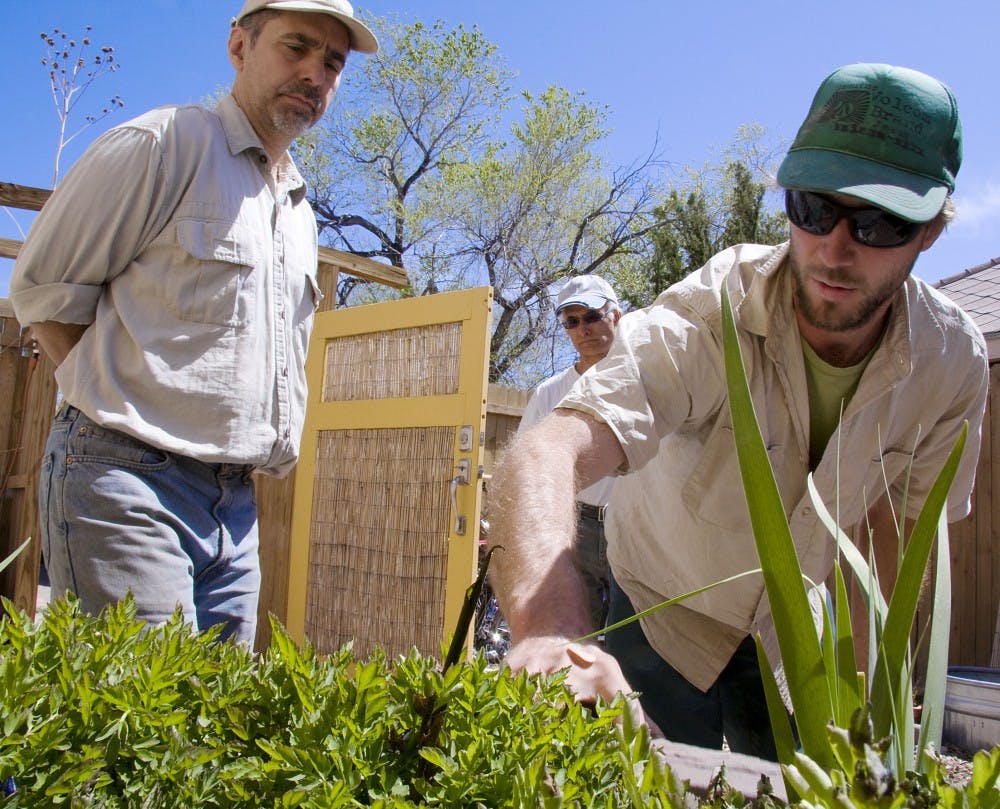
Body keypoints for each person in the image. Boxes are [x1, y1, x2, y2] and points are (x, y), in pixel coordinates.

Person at [487, 63, 989, 759]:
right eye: (813, 207)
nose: (834, 249)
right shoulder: (710, 312)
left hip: (793, 640)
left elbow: (893, 536)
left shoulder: (951, 365)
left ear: (932, 229)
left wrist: (868, 688)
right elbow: (549, 449)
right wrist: (551, 631)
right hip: (658, 605)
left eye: (878, 222)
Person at [10, 0, 378, 645]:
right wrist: (109, 399)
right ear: (239, 46)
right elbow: (44, 289)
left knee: (213, 722)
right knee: (146, 726)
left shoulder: (296, 208)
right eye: (296, 48)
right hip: (127, 480)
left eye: (332, 63)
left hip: (235, 505)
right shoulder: (164, 144)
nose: (315, 74)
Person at [516, 275, 622, 631]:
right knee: (578, 636)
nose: (583, 329)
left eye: (591, 316)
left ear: (616, 317)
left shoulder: (645, 379)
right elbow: (527, 466)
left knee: (638, 639)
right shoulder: (550, 393)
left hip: (636, 523)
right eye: (572, 322)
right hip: (577, 525)